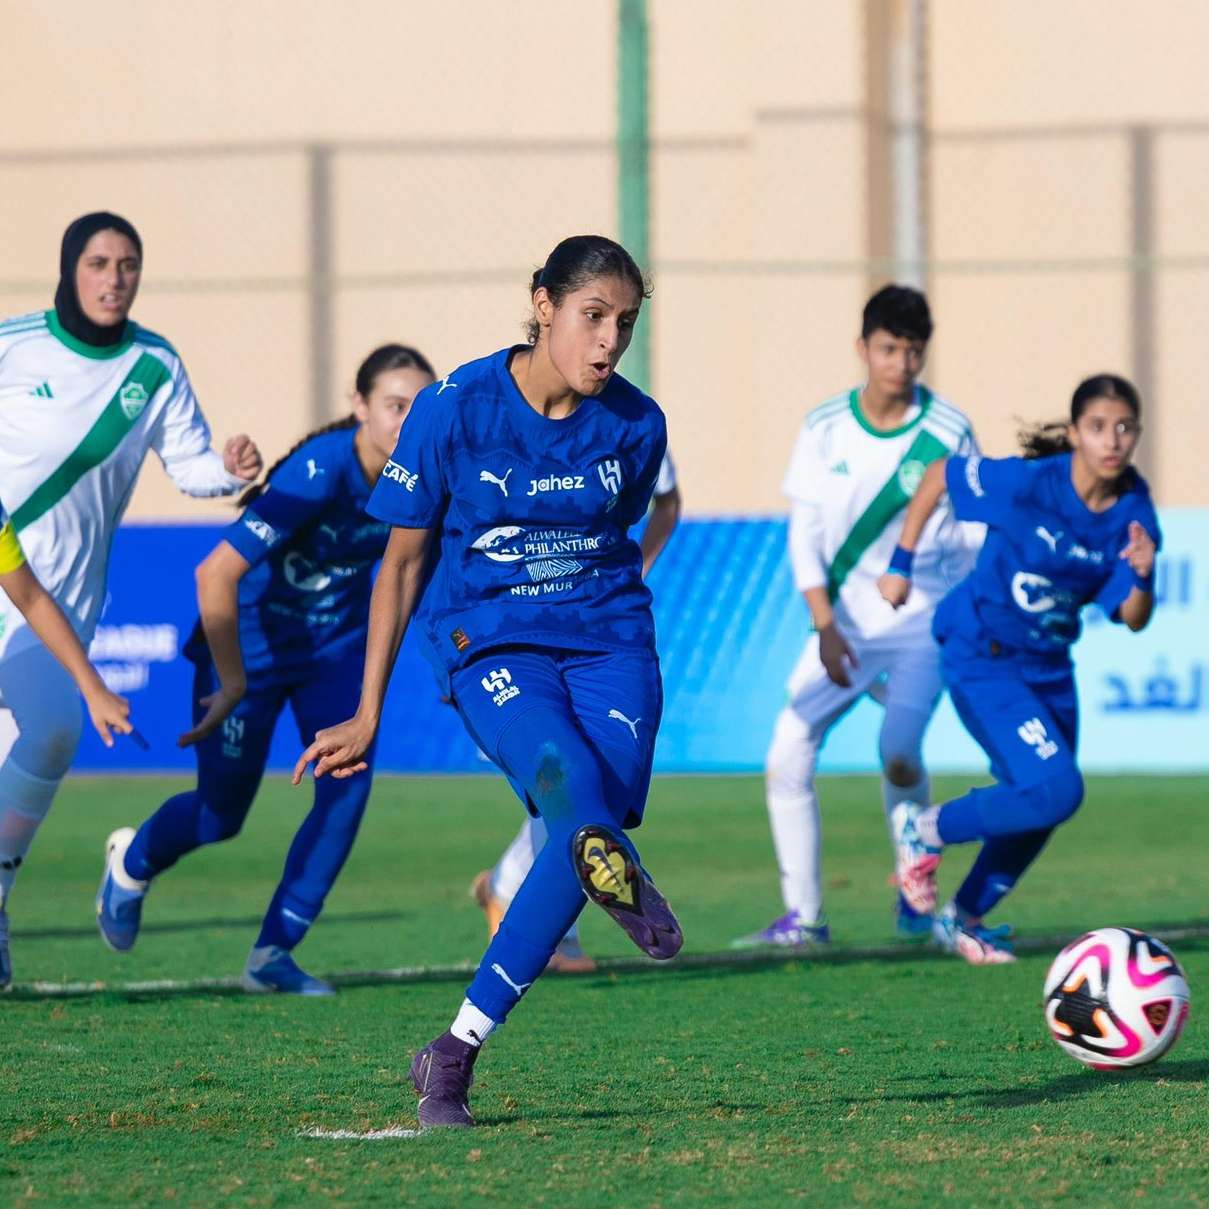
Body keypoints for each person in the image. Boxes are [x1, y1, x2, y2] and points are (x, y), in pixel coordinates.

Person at [294, 235, 683, 1128]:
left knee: (590, 828)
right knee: (573, 796)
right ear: (543, 305)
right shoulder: (453, 407)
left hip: (611, 641)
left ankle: (452, 1048)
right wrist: (366, 710)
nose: (608, 341)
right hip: (491, 640)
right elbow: (400, 565)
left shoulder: (637, 424)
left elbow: (624, 529)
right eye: (592, 316)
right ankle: (462, 1054)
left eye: (624, 323)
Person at [96, 345, 436, 993]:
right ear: (360, 407)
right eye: (395, 405)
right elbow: (215, 573)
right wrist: (231, 680)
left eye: (421, 408)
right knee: (219, 816)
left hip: (331, 653)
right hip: (249, 650)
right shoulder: (322, 469)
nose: (407, 422)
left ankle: (272, 955)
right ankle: (132, 861)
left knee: (347, 787)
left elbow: (421, 576)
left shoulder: (426, 477)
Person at [0, 211, 262, 986]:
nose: (114, 278)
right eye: (98, 262)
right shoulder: (14, 346)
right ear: (68, 268)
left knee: (52, 733)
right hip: (7, 568)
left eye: (127, 264)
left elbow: (192, 467)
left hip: (59, 602)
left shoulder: (154, 366)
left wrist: (229, 470)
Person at [880, 374, 1159, 964]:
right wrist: (901, 561)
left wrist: (1143, 573)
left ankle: (963, 919)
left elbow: (1133, 618)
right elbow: (940, 474)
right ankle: (923, 830)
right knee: (1058, 789)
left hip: (1048, 670)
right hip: (982, 654)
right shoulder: (1032, 483)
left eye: (1125, 427)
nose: (1113, 439)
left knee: (1040, 804)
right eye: (1099, 426)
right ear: (1075, 433)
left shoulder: (1134, 508)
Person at [733, 285, 978, 950]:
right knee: (787, 749)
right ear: (862, 348)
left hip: (921, 622)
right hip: (844, 624)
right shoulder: (823, 428)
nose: (900, 362)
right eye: (888, 348)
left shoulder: (949, 431)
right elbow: (804, 533)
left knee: (897, 752)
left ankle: (915, 899)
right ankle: (805, 918)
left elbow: (966, 534)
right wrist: (824, 625)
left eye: (912, 350)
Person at [470, 449, 682, 973]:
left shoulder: (629, 425)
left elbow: (668, 501)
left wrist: (633, 568)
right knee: (561, 777)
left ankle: (509, 888)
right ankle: (545, 927)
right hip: (509, 633)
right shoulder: (489, 428)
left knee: (582, 782)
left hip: (596, 634)